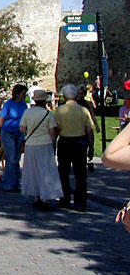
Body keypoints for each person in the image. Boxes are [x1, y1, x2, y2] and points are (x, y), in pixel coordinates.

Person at [19, 89, 62, 210]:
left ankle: (37, 196)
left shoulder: (27, 113)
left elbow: (22, 128)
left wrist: (30, 130)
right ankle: (46, 198)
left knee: (33, 171)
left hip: (31, 144)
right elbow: (52, 132)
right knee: (46, 171)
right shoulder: (48, 114)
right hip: (45, 143)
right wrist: (54, 145)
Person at [55, 84, 94, 212]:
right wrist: (91, 146)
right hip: (80, 142)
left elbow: (57, 129)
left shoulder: (60, 110)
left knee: (63, 173)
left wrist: (53, 143)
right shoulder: (83, 110)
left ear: (65, 96)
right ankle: (81, 202)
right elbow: (89, 130)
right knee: (80, 174)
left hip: (65, 142)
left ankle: (65, 199)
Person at [0, 84, 28, 192]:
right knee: (11, 159)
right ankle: (8, 184)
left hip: (19, 133)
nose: (24, 95)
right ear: (17, 93)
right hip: (8, 132)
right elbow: (1, 118)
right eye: (23, 93)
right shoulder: (8, 104)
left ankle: (16, 183)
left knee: (17, 159)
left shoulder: (24, 105)